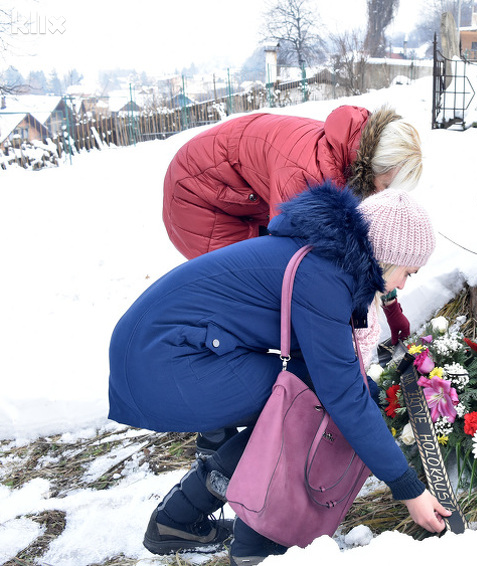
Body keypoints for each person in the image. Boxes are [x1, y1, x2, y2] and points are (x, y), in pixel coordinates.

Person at [108, 183, 449, 565]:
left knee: (315, 394)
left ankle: (179, 518)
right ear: (387, 257)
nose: (403, 284)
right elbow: (342, 398)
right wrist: (409, 489)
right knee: (307, 403)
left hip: (165, 351)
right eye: (408, 272)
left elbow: (340, 377)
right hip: (162, 364)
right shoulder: (323, 277)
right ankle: (260, 548)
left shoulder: (323, 258)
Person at [162, 104, 420, 455]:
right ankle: (217, 433)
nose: (383, 196)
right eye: (386, 186)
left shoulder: (355, 157)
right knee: (249, 306)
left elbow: (377, 253)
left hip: (246, 196)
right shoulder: (309, 175)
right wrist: (337, 359)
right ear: (375, 166)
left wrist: (390, 310)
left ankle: (279, 402)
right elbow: (305, 277)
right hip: (201, 197)